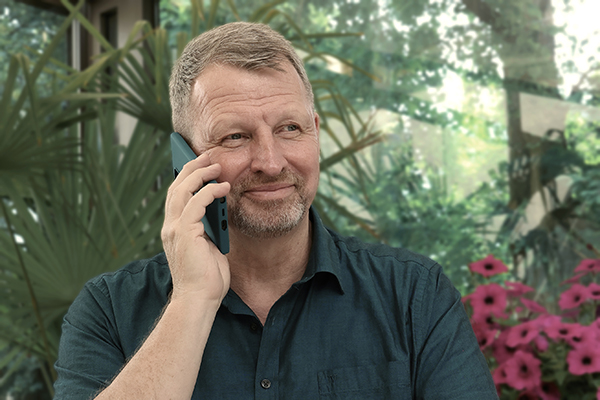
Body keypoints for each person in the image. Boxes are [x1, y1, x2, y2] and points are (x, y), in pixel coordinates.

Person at [53, 22, 498, 399]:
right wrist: (192, 298)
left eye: (289, 128)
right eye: (235, 137)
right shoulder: (109, 310)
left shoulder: (414, 296)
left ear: (316, 133)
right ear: (184, 157)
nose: (270, 161)